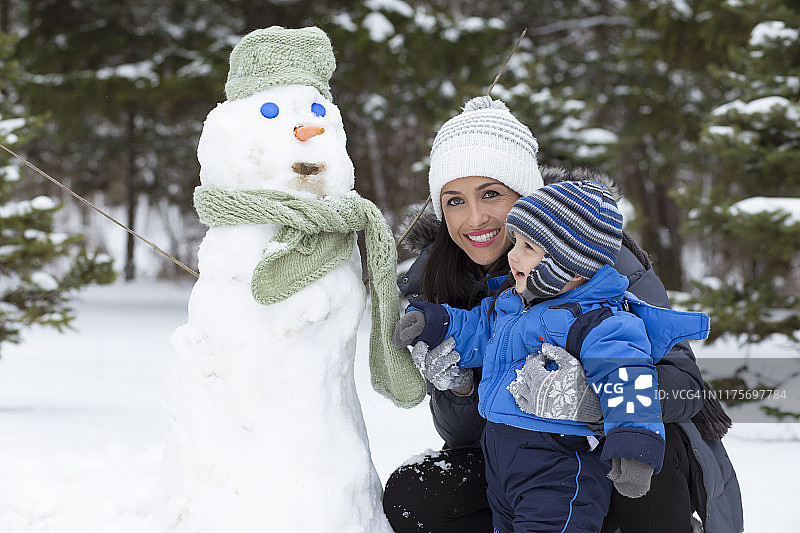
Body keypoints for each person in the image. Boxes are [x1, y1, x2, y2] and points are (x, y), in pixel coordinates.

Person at [383, 96, 743, 533]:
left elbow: (685, 385)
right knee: (416, 494)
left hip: (616, 450)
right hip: (519, 455)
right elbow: (462, 435)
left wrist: (590, 398)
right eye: (454, 200)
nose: (474, 218)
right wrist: (458, 386)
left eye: (491, 194)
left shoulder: (594, 258)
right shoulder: (442, 278)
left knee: (648, 463)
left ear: (526, 196)